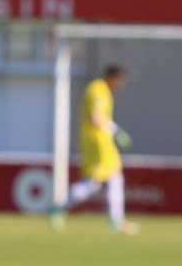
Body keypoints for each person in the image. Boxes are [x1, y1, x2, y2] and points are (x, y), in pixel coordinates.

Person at [54, 65, 139, 234]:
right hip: (98, 142)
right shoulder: (98, 89)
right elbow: (96, 117)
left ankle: (115, 220)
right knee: (97, 181)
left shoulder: (103, 91)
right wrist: (115, 130)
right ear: (110, 76)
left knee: (106, 179)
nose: (120, 84)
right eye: (119, 79)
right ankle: (60, 209)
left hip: (100, 141)